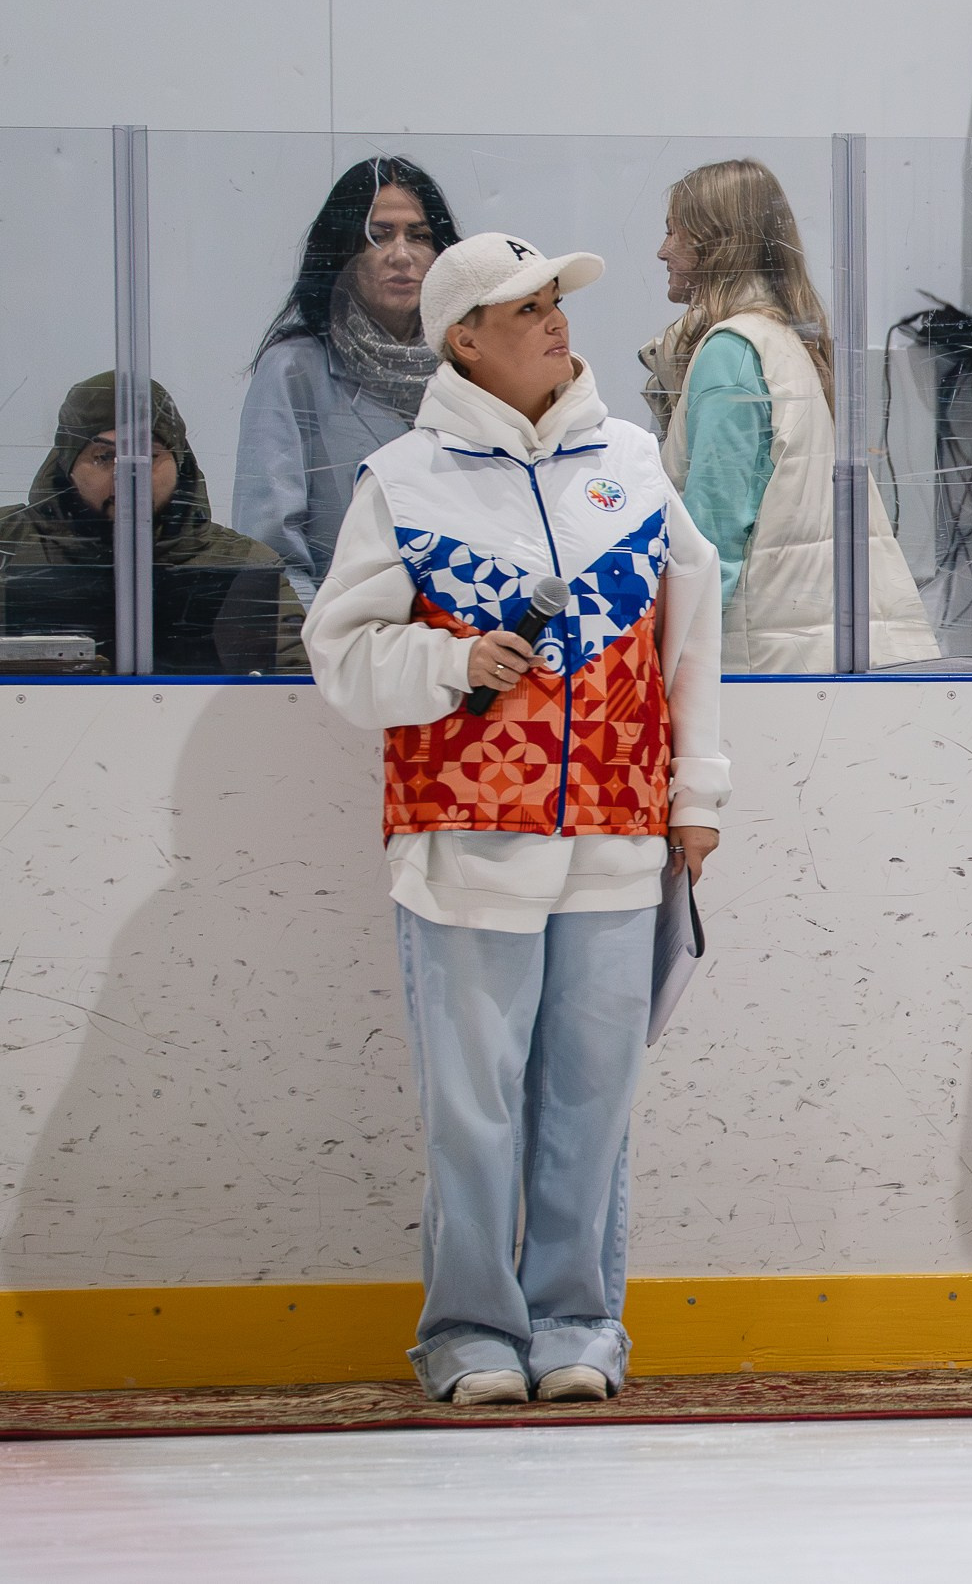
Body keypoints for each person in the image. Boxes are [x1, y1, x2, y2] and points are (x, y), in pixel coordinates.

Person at [305, 232, 728, 1405]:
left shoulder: (635, 467)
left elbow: (690, 640)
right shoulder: (404, 479)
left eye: (556, 302)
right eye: (525, 308)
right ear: (464, 340)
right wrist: (449, 661)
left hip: (615, 835)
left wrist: (697, 796)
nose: (556, 322)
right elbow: (340, 655)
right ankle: (470, 1332)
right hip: (465, 839)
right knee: (474, 1105)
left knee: (591, 1099)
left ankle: (580, 1326)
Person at [640, 158, 936, 670]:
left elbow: (714, 533)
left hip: (771, 663)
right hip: (825, 653)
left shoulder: (731, 351)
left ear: (716, 241)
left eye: (674, 232)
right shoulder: (789, 342)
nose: (662, 251)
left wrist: (666, 657)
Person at [237, 158, 463, 604]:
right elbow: (271, 551)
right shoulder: (294, 369)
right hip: (343, 646)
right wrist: (319, 653)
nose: (402, 254)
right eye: (378, 236)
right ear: (342, 251)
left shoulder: (466, 367)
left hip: (460, 644)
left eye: (418, 235)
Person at [0, 373, 305, 674]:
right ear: (67, 468)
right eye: (104, 457)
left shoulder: (244, 566)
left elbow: (300, 693)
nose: (128, 477)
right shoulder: (6, 545)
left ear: (179, 460)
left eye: (147, 456)